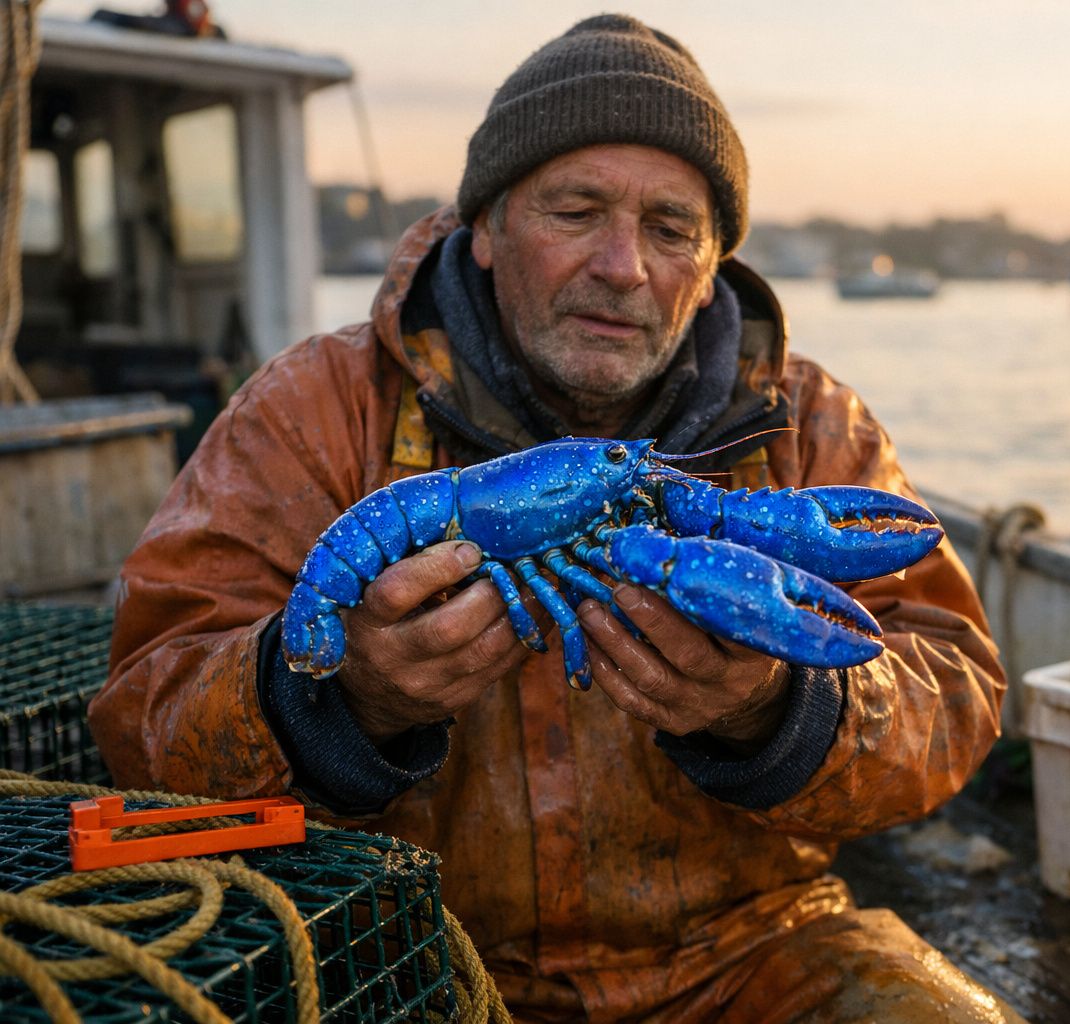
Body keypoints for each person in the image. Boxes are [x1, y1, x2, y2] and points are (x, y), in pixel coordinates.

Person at [91, 15, 1020, 1023]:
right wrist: (340, 698)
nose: (623, 265)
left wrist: (777, 710)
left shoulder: (812, 422)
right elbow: (144, 717)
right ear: (484, 230)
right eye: (575, 211)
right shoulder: (310, 409)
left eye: (670, 229)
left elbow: (955, 692)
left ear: (712, 262)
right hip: (398, 952)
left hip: (750, 948)